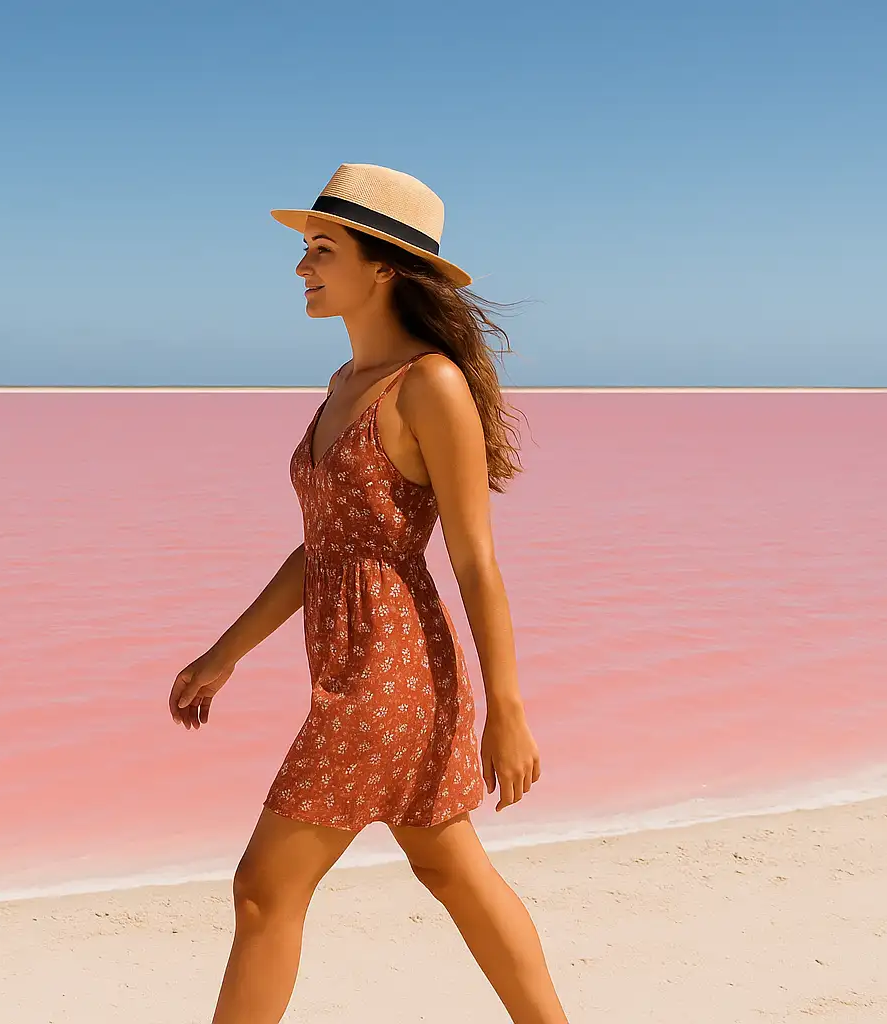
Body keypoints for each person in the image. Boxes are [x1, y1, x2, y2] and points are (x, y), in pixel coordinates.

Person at [168, 164, 569, 1024]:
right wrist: (223, 655)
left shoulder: (431, 385)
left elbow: (475, 563)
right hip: (354, 664)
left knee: (262, 888)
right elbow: (324, 548)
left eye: (322, 250)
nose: (302, 268)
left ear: (382, 265)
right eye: (305, 251)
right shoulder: (341, 386)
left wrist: (508, 707)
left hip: (392, 673)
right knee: (451, 870)